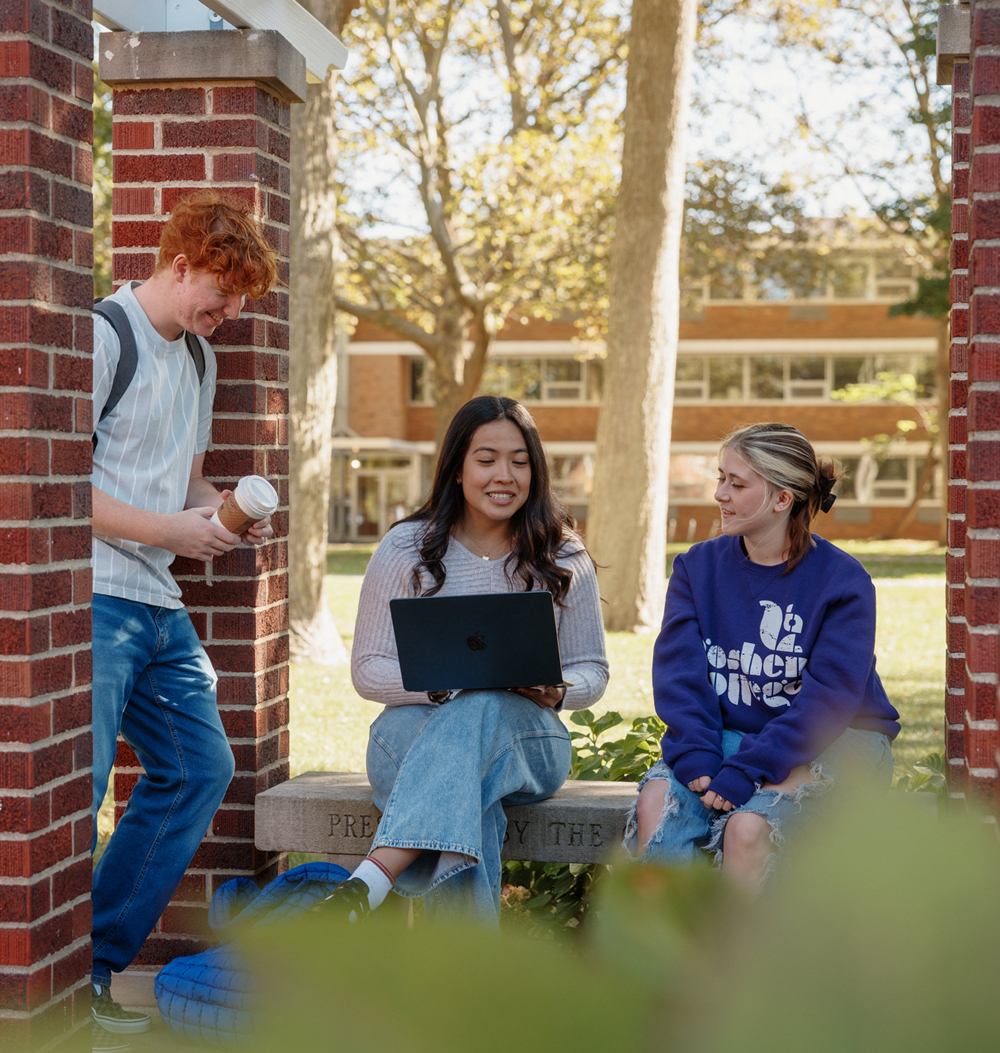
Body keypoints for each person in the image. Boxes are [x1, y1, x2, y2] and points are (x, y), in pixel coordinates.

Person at [89, 192, 278, 1048]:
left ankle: (90, 965)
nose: (229, 314)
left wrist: (227, 507)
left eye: (240, 302)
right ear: (180, 265)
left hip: (159, 603)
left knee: (200, 768)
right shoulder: (104, 336)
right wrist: (168, 528)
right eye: (223, 294)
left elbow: (182, 482)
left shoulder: (200, 362)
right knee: (78, 788)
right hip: (94, 596)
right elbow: (53, 486)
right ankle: (44, 978)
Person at [324, 395, 609, 923]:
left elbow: (593, 668)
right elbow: (368, 667)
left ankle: (372, 880)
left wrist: (559, 688)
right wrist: (447, 686)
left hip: (527, 743)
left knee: (484, 710)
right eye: (487, 459)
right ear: (456, 468)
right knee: (470, 784)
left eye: (520, 461)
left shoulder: (562, 554)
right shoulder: (406, 548)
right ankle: (466, 993)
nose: (505, 475)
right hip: (410, 736)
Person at [626, 422, 900, 890]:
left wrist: (747, 770)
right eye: (720, 479)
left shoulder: (842, 582)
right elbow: (679, 675)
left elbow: (827, 702)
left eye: (736, 483)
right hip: (735, 737)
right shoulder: (697, 568)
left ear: (782, 499)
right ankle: (666, 957)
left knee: (747, 828)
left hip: (839, 740)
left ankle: (745, 961)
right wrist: (695, 752)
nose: (719, 494)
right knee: (656, 803)